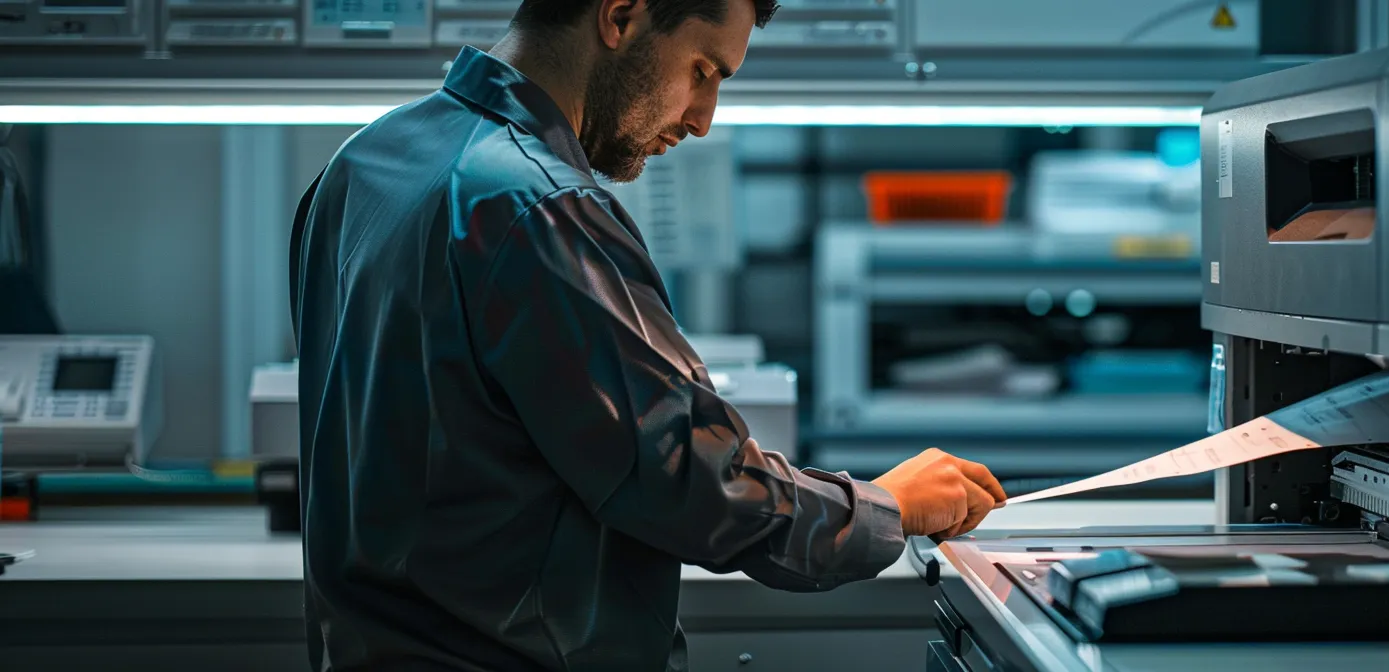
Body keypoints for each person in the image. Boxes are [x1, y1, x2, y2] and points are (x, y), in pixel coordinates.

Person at [286, 0, 1008, 668]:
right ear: (622, 14)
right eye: (702, 71)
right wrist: (888, 507)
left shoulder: (361, 165)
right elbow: (703, 484)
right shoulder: (537, 206)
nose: (702, 119)